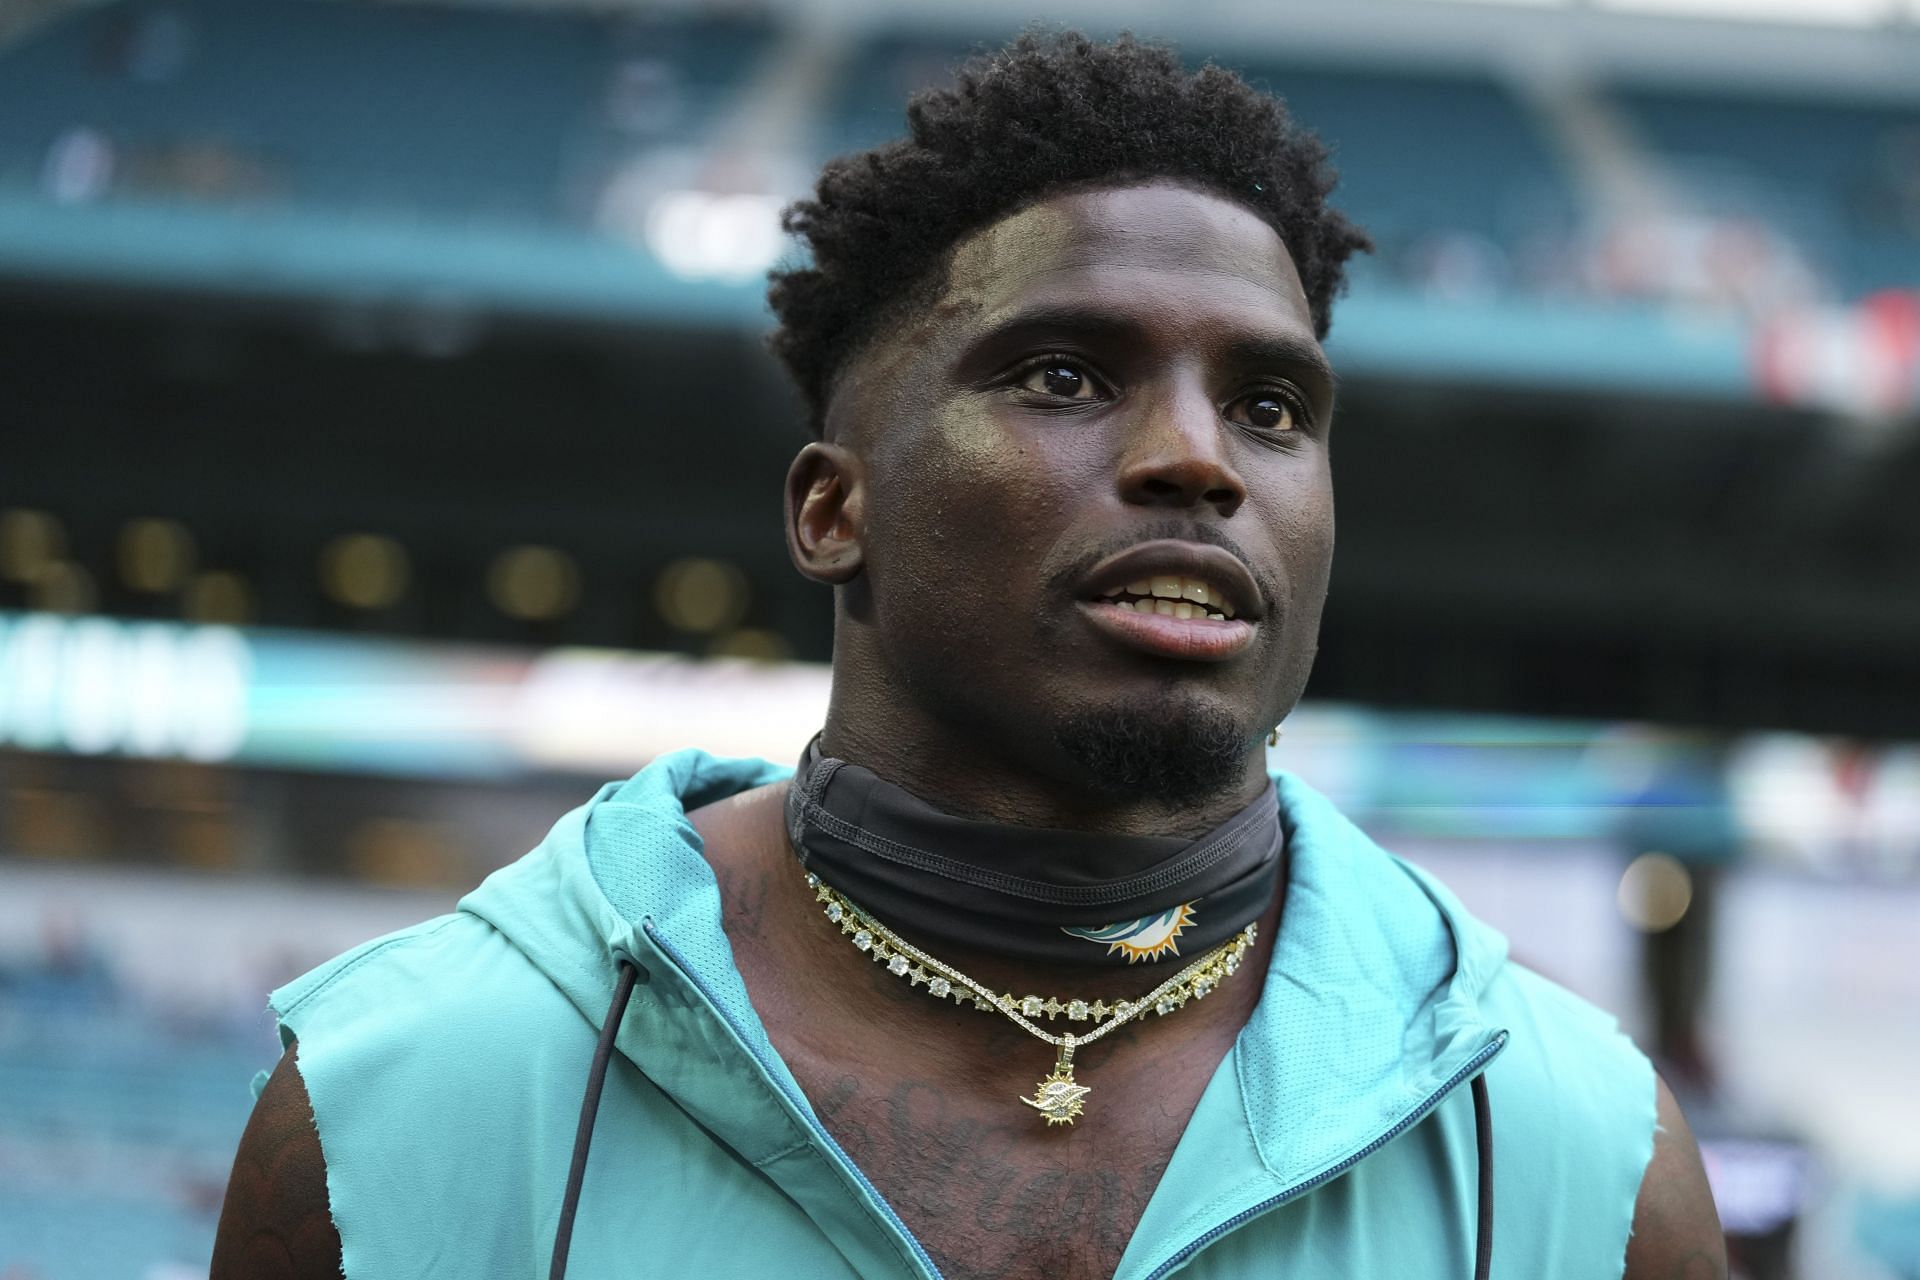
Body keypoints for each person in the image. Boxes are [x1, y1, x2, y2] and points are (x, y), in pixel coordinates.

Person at [211, 32, 1724, 1280]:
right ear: (831, 510)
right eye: (1066, 374)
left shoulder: (1577, 1157)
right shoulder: (402, 1102)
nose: (1198, 460)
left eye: (1271, 406)